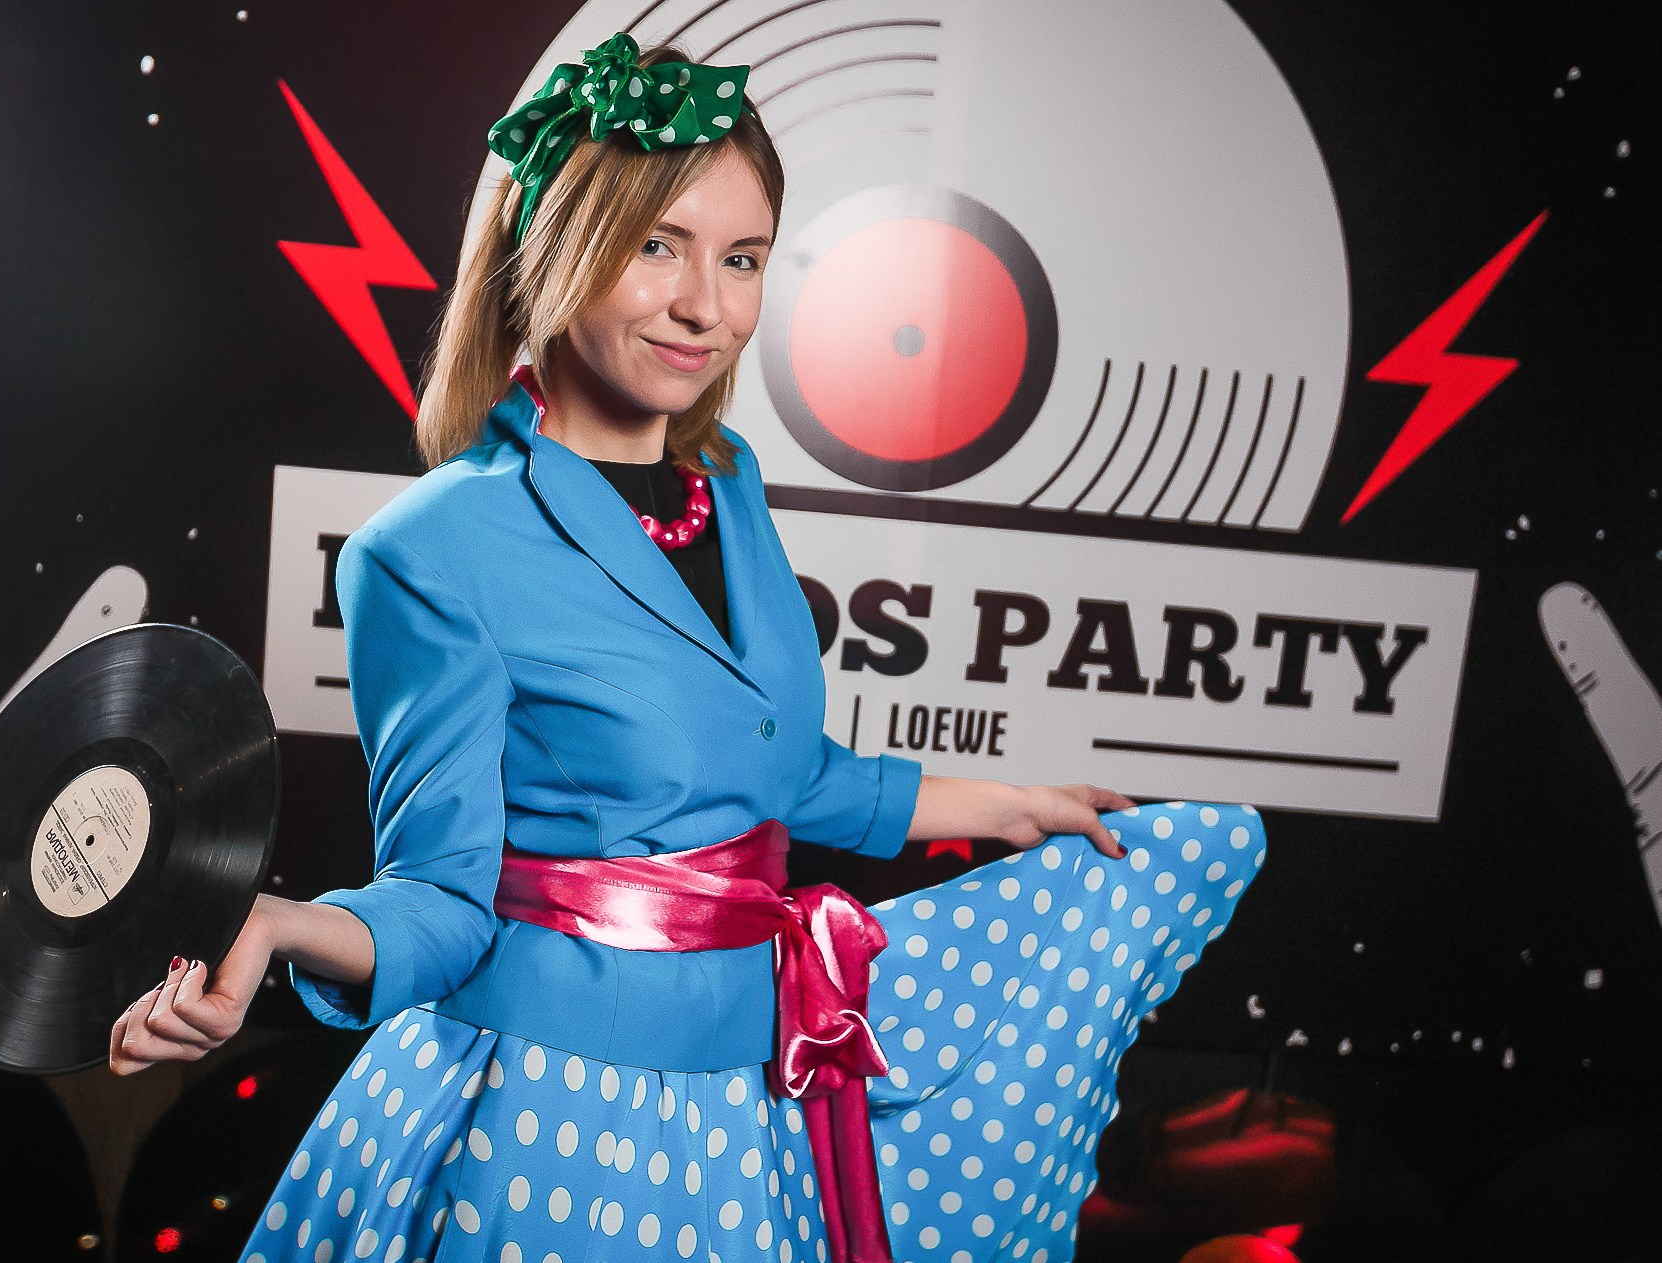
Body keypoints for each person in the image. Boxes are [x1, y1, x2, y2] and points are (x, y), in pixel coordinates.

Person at [108, 32, 1267, 1263]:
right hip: (546, 1118)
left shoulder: (729, 481)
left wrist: (1010, 804)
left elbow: (777, 772)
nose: (706, 306)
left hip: (745, 1101)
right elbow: (443, 902)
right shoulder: (429, 548)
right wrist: (279, 926)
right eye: (656, 245)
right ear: (551, 248)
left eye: (742, 258)